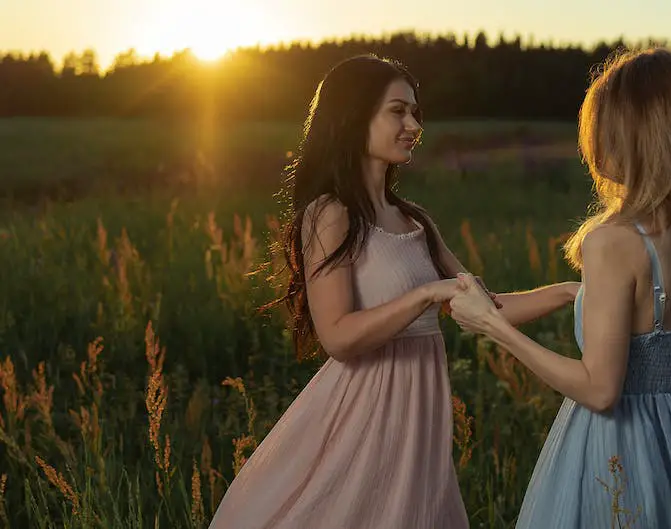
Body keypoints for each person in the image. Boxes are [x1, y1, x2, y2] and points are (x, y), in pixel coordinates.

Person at [208, 54, 578, 529]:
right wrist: (425, 296)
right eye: (398, 111)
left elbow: (490, 309)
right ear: (354, 116)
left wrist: (570, 291)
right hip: (364, 411)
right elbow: (338, 338)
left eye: (416, 113)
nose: (413, 125)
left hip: (419, 414)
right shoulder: (331, 213)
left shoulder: (415, 220)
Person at [447, 47, 671, 528]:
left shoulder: (614, 241)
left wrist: (494, 326)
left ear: (639, 135)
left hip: (613, 450)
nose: (595, 146)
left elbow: (600, 391)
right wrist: (666, 349)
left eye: (604, 127)